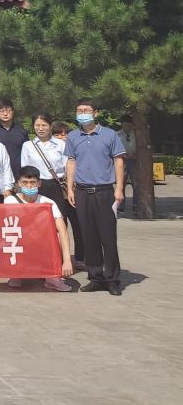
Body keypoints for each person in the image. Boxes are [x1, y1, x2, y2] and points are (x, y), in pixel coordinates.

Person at [66, 99, 126, 296]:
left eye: (86, 110)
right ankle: (95, 277)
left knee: (108, 237)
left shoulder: (109, 134)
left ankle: (112, 279)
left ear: (95, 113)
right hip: (82, 192)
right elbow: (71, 162)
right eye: (79, 110)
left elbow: (118, 161)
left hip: (104, 192)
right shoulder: (73, 136)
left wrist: (119, 188)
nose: (82, 113)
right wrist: (70, 188)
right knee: (88, 236)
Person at [21, 114, 84, 270]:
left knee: (60, 224)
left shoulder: (61, 144)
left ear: (50, 126)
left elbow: (68, 166)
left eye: (44, 125)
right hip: (36, 187)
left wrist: (70, 187)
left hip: (57, 186)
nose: (41, 129)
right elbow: (25, 169)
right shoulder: (28, 145)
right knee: (37, 225)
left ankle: (62, 260)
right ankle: (40, 258)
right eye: (37, 125)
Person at [5, 167, 74, 292]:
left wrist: (67, 261)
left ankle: (52, 277)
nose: (29, 186)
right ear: (19, 183)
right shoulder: (10, 201)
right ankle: (15, 273)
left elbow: (62, 230)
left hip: (41, 243)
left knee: (57, 236)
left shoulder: (48, 202)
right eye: (25, 182)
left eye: (33, 183)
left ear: (39, 183)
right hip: (19, 242)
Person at [0, 99, 29, 178]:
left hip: (18, 175)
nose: (5, 114)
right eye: (2, 111)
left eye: (8, 111)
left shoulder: (21, 131)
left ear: (13, 112)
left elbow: (27, 152)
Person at [119, 114, 138, 214]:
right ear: (122, 124)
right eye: (125, 125)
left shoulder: (137, 134)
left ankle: (136, 205)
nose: (127, 127)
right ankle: (120, 206)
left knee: (136, 184)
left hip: (135, 161)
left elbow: (141, 147)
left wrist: (136, 154)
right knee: (121, 184)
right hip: (122, 161)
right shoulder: (117, 135)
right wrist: (122, 154)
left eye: (129, 125)